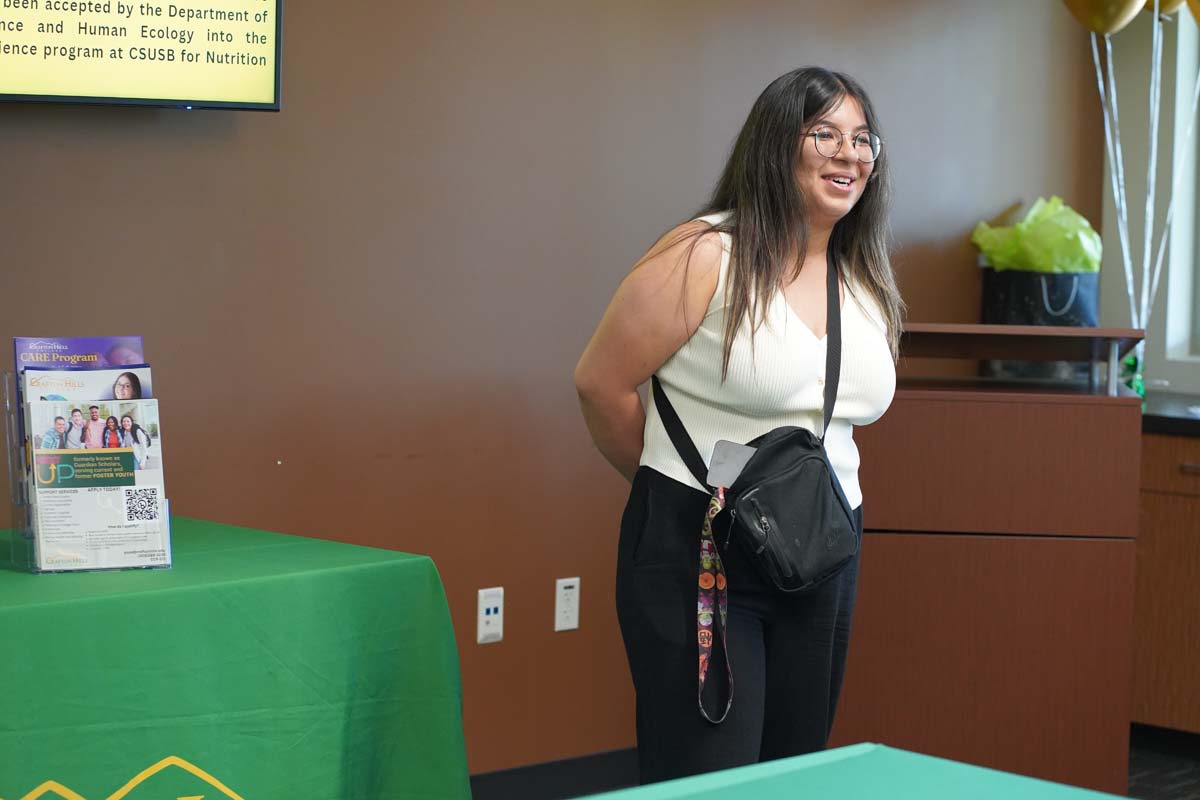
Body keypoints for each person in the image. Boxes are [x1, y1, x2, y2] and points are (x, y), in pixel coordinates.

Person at [574, 67, 902, 785]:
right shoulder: (704, 255)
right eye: (825, 134)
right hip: (700, 543)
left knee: (792, 769)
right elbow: (600, 385)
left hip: (821, 548)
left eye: (862, 139)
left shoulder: (864, 274)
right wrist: (678, 490)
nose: (849, 155)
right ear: (776, 145)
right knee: (709, 771)